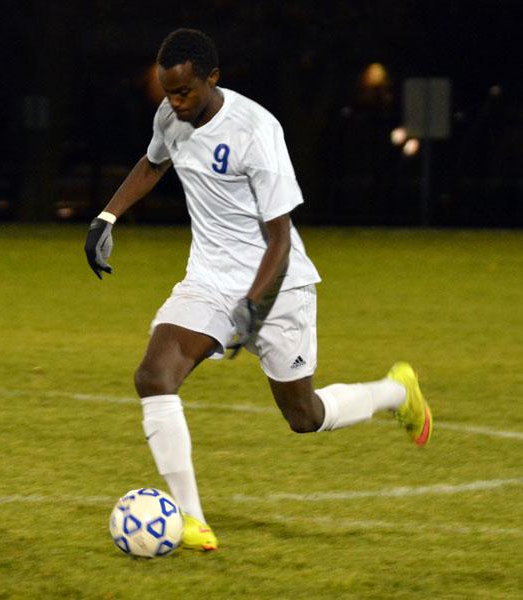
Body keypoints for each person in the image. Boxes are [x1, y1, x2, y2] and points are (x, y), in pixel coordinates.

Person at [84, 28, 432, 552]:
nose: (174, 103)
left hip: (278, 285)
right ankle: (191, 519)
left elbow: (281, 237)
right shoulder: (171, 116)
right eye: (167, 92)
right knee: (154, 377)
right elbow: (154, 161)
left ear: (212, 79)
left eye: (184, 92)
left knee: (304, 416)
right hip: (208, 280)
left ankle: (395, 392)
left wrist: (253, 304)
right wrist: (107, 216)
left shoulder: (256, 131)